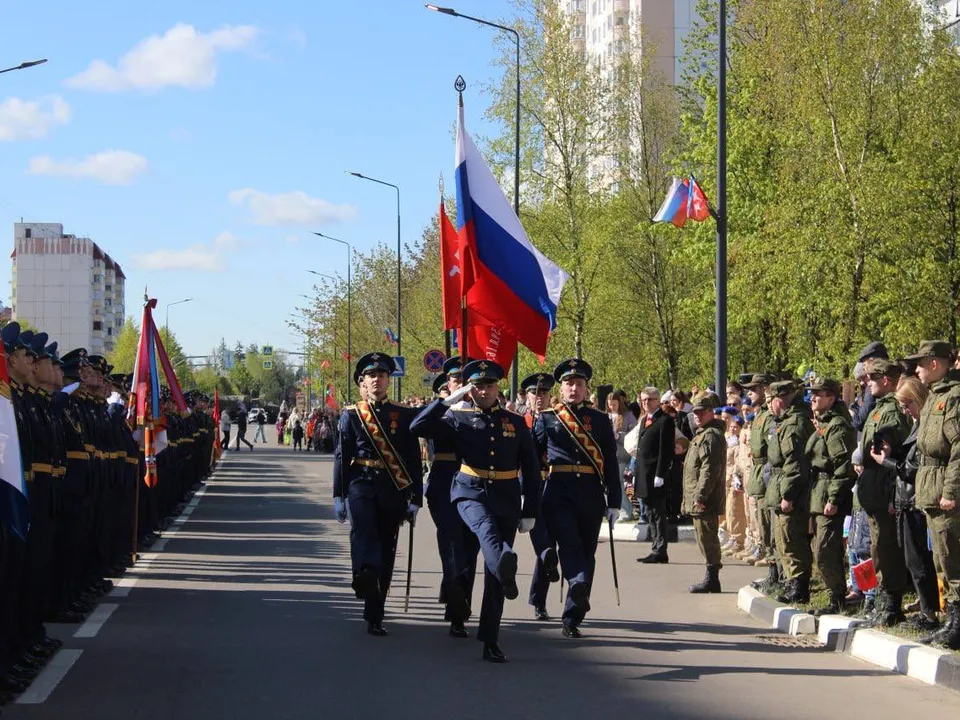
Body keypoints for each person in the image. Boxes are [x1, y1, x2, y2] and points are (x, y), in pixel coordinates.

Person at [411, 359, 541, 663]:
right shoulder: (459, 418)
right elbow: (417, 427)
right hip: (469, 493)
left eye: (489, 385)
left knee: (495, 575)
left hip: (506, 496)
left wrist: (530, 509)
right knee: (483, 537)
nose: (484, 391)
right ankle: (471, 601)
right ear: (471, 389)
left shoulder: (515, 422)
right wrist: (447, 402)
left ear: (498, 388)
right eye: (478, 386)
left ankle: (490, 638)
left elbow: (532, 470)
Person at [333, 353, 423, 637]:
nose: (377, 380)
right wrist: (339, 494)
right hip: (361, 482)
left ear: (389, 380)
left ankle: (375, 613)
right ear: (363, 381)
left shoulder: (404, 414)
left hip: (392, 487)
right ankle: (363, 573)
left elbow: (412, 459)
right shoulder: (351, 414)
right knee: (363, 533)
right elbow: (342, 455)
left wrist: (416, 499)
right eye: (372, 376)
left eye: (382, 375)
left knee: (386, 548)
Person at [534, 358, 621, 639]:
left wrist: (615, 500)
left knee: (587, 552)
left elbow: (609, 459)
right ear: (561, 388)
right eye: (569, 383)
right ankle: (578, 581)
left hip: (591, 492)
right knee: (568, 542)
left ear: (586, 389)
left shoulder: (599, 420)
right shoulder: (548, 417)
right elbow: (532, 456)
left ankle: (573, 615)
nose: (574, 388)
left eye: (579, 384)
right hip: (558, 489)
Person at [870, 375, 940, 632]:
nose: (904, 410)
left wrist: (885, 462)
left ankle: (929, 613)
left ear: (918, 400)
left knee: (919, 561)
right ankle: (927, 610)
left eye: (906, 404)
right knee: (913, 561)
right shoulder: (916, 425)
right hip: (905, 500)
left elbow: (911, 468)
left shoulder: (925, 427)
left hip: (914, 500)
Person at [908, 340, 960, 649]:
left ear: (936, 364)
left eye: (921, 362)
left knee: (952, 560)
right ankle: (951, 619)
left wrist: (951, 490)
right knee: (941, 559)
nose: (916, 369)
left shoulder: (953, 398)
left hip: (944, 487)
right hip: (931, 486)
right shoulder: (934, 397)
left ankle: (957, 624)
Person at [421, 363, 479, 638]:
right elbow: (417, 426)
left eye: (468, 380)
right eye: (457, 379)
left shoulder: (483, 413)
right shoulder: (440, 414)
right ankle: (458, 608)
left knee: (470, 546)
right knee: (452, 543)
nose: (463, 384)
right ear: (449, 383)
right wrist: (446, 403)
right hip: (445, 483)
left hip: (477, 486)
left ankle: (456, 594)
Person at [857, 357, 912, 625]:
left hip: (885, 486)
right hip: (873, 485)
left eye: (871, 379)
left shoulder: (891, 411)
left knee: (886, 546)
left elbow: (892, 452)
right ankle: (882, 598)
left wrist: (892, 495)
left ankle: (891, 602)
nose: (867, 384)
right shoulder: (879, 409)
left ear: (886, 380)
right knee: (877, 545)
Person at [806, 378, 857, 616]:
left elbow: (842, 466)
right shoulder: (823, 423)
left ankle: (837, 597)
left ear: (832, 398)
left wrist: (833, 499)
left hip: (829, 491)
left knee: (826, 549)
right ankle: (833, 593)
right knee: (821, 547)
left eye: (819, 394)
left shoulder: (836, 426)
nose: (813, 398)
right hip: (819, 491)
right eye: (812, 394)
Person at [766, 380, 815, 605]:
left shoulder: (794, 423)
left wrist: (788, 495)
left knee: (791, 538)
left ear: (779, 400)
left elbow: (795, 464)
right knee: (782, 539)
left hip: (790, 490)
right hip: (780, 485)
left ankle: (799, 586)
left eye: (771, 400)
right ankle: (791, 581)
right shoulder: (786, 421)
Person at [521, 372, 560, 621]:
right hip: (526, 488)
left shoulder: (558, 421)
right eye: (535, 392)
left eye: (544, 393)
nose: (540, 397)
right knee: (542, 544)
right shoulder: (517, 421)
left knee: (549, 546)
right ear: (526, 396)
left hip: (553, 485)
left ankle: (539, 600)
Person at [682, 392, 727, 592]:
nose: (697, 416)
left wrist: (701, 496)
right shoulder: (702, 433)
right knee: (702, 537)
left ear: (711, 412)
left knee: (707, 537)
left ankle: (712, 578)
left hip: (705, 499)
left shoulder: (710, 436)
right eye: (695, 413)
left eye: (701, 412)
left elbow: (710, 470)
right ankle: (710, 576)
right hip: (698, 497)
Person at [633, 387, 676, 565]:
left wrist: (660, 474)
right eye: (643, 400)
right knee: (650, 512)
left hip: (656, 474)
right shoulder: (644, 420)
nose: (646, 403)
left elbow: (665, 451)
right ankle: (655, 547)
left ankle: (660, 550)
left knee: (658, 513)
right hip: (645, 473)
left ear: (658, 400)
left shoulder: (665, 421)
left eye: (650, 400)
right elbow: (641, 448)